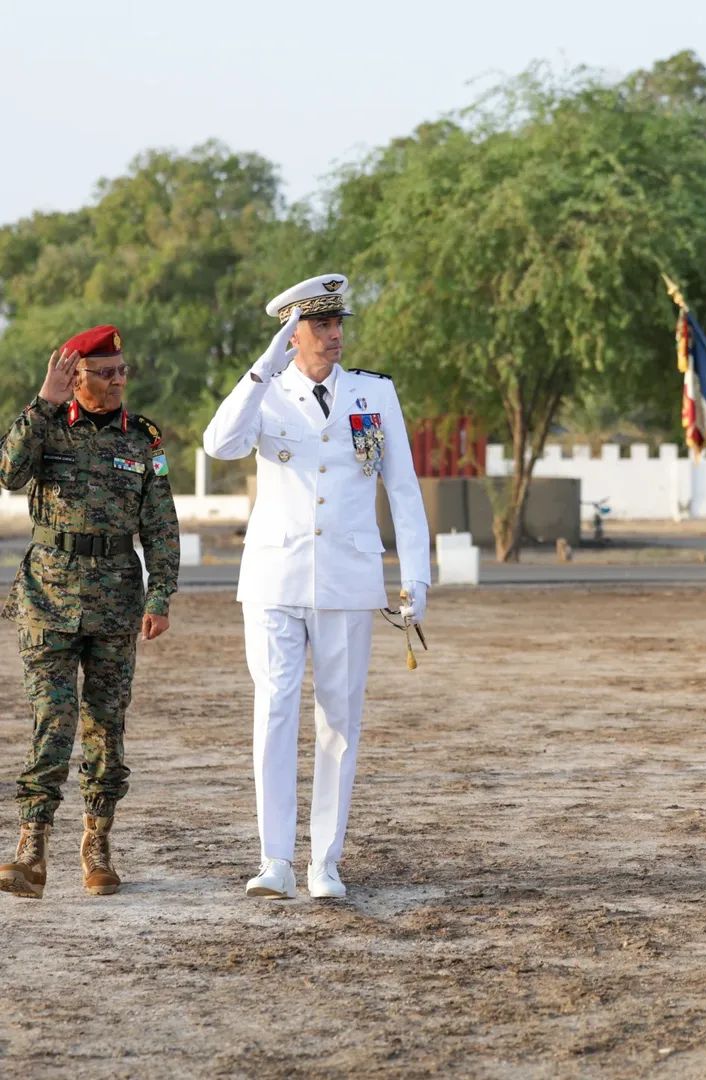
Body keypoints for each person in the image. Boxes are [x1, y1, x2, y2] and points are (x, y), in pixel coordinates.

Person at [203, 273, 431, 900]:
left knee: (339, 721)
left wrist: (415, 573)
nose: (333, 336)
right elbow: (219, 443)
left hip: (349, 578)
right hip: (275, 575)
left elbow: (402, 488)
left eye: (338, 324)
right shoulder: (265, 392)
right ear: (291, 333)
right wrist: (259, 369)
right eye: (320, 326)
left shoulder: (374, 394)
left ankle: (323, 862)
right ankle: (274, 858)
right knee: (273, 712)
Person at [0, 325, 179, 900]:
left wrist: (160, 596)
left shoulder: (142, 440)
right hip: (47, 597)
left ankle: (97, 843)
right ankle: (31, 846)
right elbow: (7, 473)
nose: (118, 379)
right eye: (105, 371)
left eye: (122, 370)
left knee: (106, 725)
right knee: (53, 718)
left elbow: (160, 527)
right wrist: (41, 403)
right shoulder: (46, 425)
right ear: (74, 375)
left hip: (114, 601)